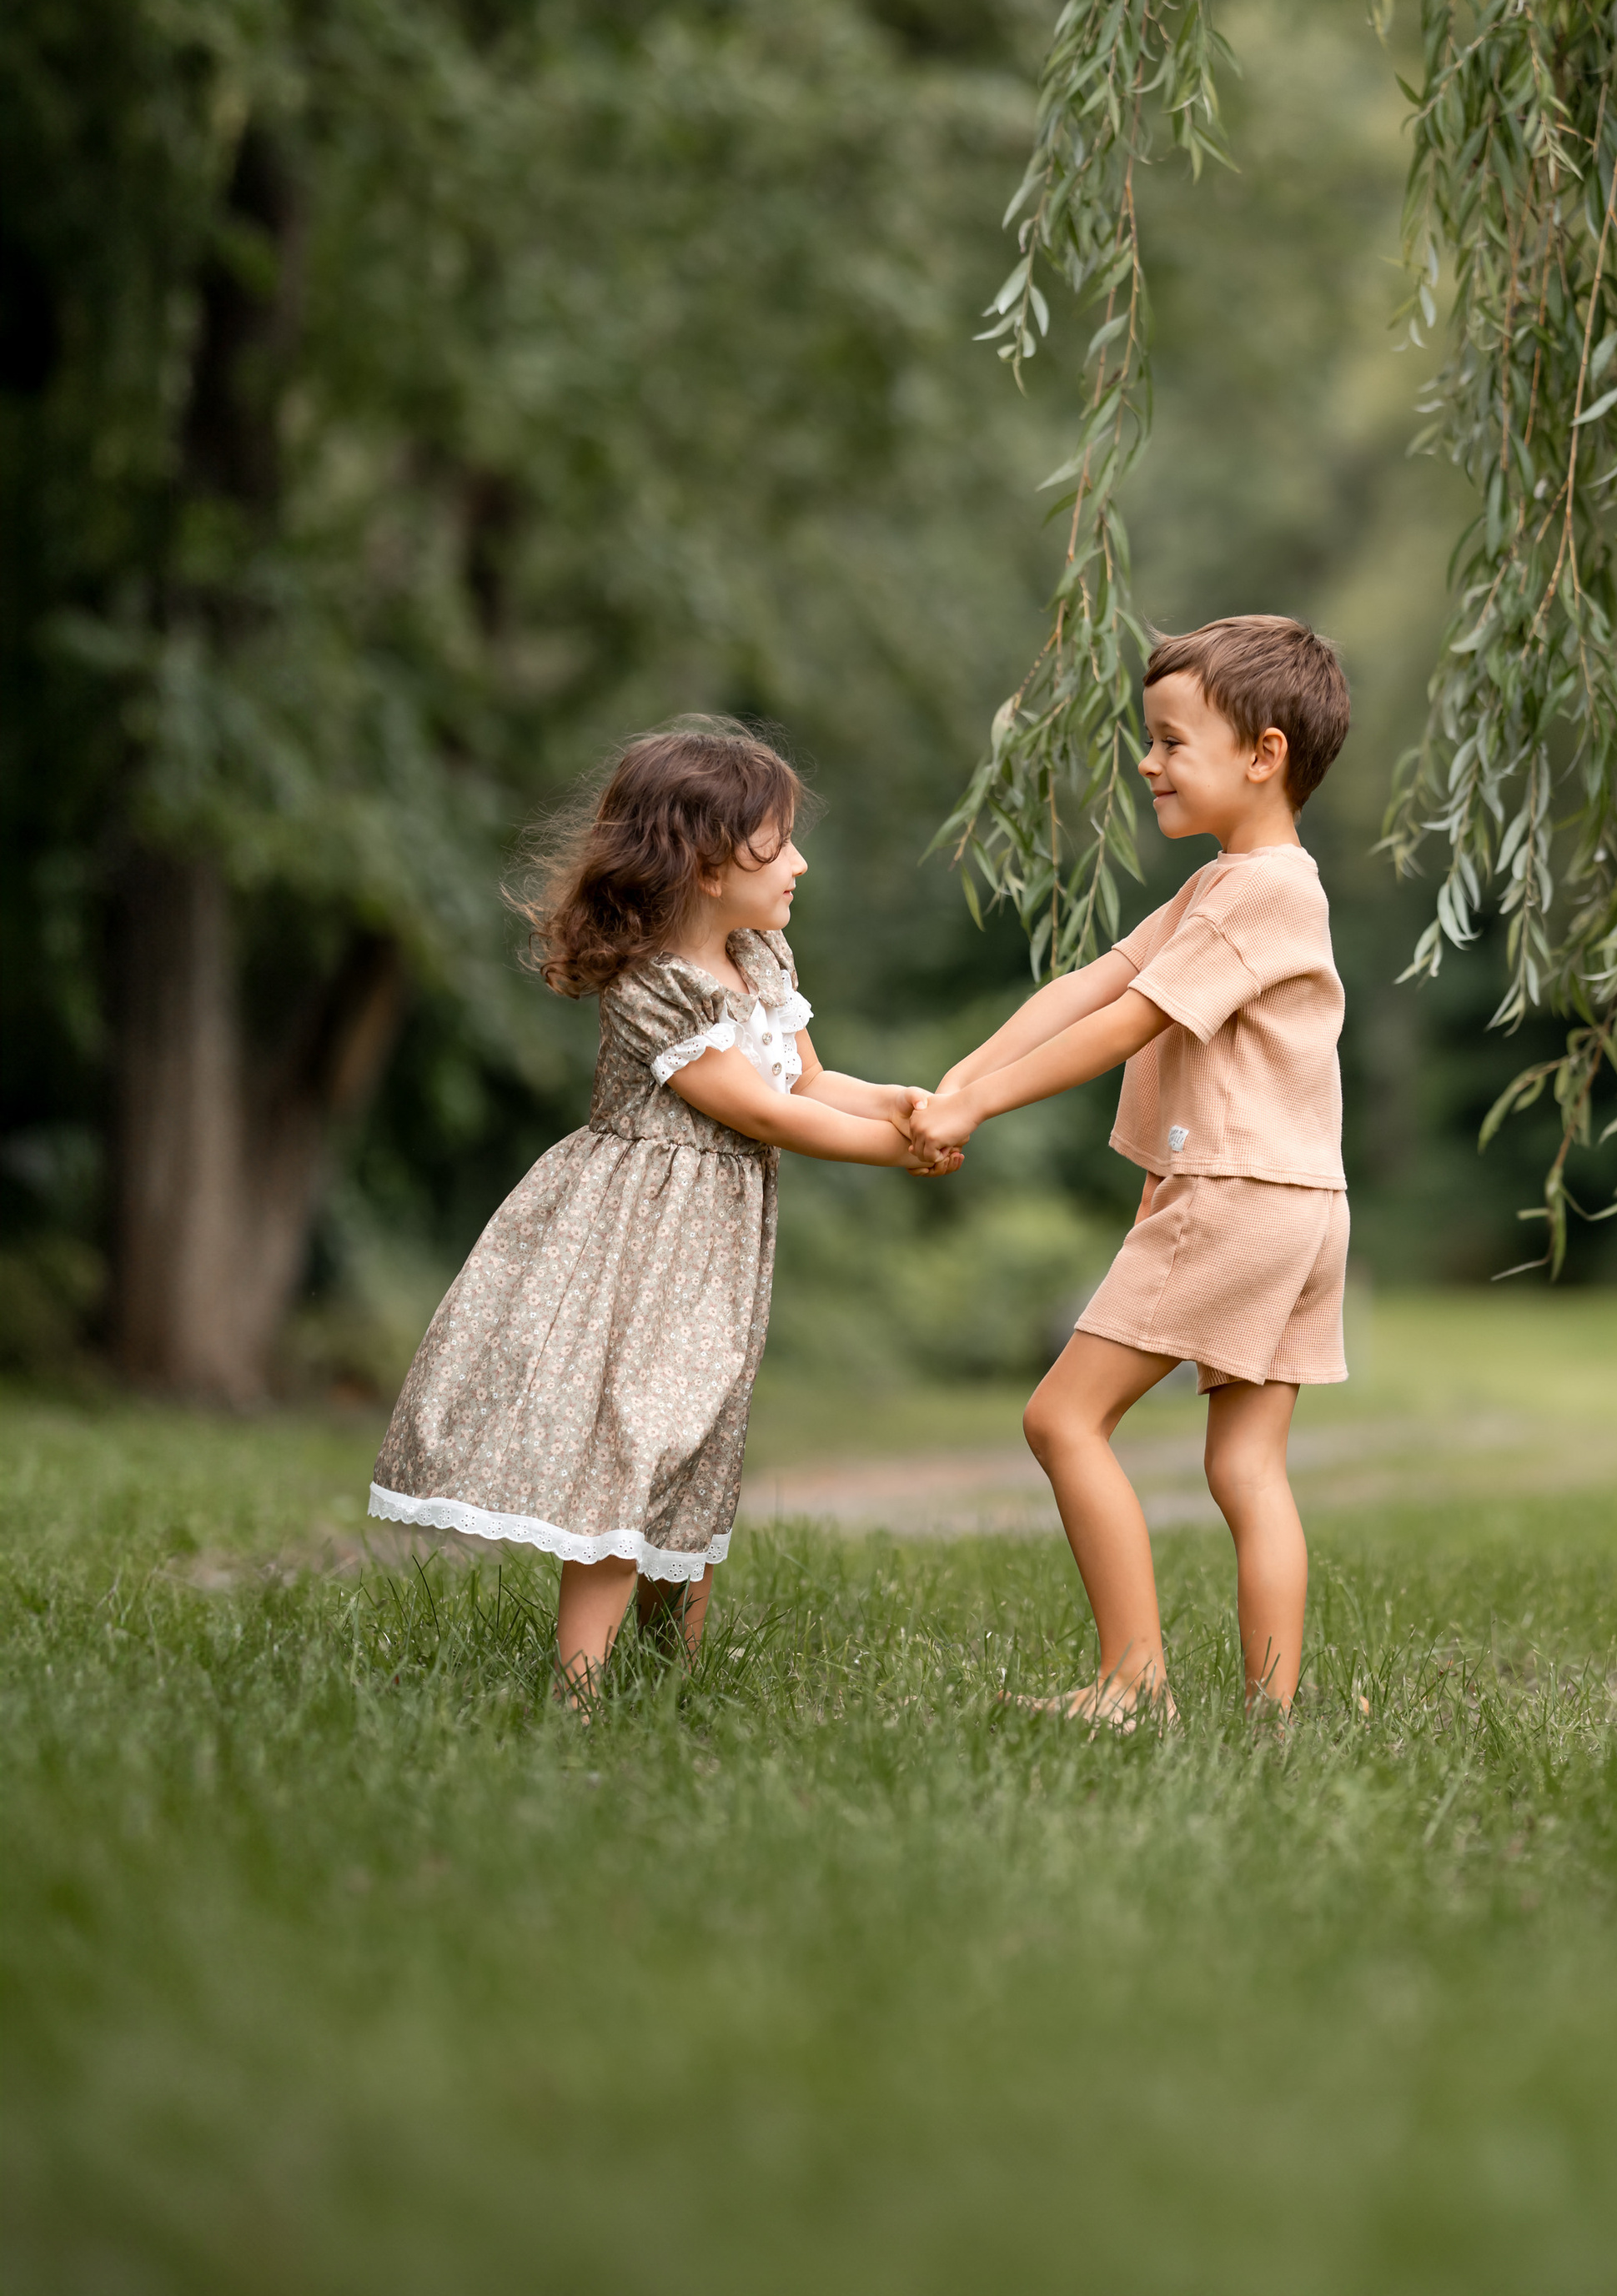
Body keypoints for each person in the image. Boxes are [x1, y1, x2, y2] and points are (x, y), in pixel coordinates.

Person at [370, 717, 951, 1702]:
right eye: (780, 843)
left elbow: (808, 1084)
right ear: (708, 864)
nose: (802, 862)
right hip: (638, 1236)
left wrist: (903, 1105)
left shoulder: (762, 960)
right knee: (636, 1430)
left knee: (700, 1427)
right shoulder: (658, 990)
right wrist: (900, 1150)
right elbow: (761, 1111)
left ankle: (670, 1659)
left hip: (716, 1242)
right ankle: (581, 1684)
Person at [911, 616, 1349, 1725]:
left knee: (1063, 1421)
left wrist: (980, 1104)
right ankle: (1273, 1722)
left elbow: (1126, 1024)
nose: (1146, 762)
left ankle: (1132, 1682)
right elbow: (1096, 979)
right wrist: (961, 1075)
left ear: (1264, 754)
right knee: (1247, 1471)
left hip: (1236, 1196)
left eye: (1170, 740)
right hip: (1302, 1206)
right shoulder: (1236, 886)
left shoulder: (1261, 891)